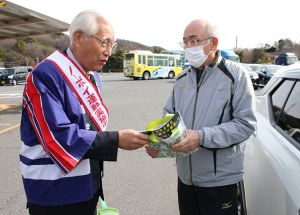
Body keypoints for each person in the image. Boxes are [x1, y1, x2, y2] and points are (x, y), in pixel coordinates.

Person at [20, 10, 150, 215]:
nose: (109, 52)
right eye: (104, 42)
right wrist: (116, 140)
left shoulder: (91, 75)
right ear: (79, 38)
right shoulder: (45, 74)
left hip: (87, 186)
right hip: (55, 193)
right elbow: (58, 136)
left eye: (112, 44)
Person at [146, 19, 256, 215]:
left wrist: (201, 136)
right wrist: (160, 145)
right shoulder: (181, 79)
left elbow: (245, 124)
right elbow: (170, 121)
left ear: (213, 43)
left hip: (220, 181)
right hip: (186, 179)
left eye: (194, 41)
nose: (188, 47)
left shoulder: (236, 75)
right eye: (185, 42)